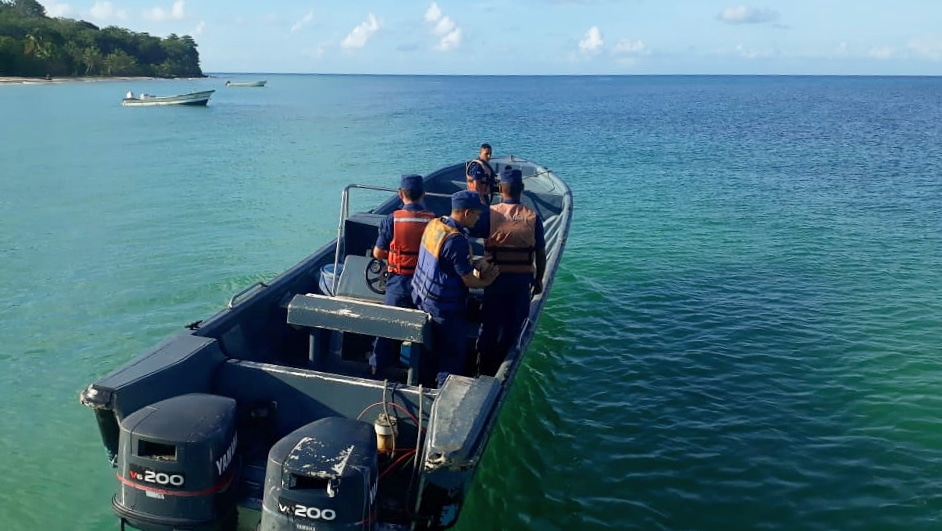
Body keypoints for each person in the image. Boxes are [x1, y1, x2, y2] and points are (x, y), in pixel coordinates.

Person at [412, 190, 500, 387]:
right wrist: (488, 281)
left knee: (428, 353)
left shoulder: (435, 225)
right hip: (445, 309)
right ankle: (444, 397)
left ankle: (424, 386)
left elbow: (444, 261)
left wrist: (473, 262)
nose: (478, 219)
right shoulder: (457, 240)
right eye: (477, 214)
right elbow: (469, 281)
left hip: (422, 298)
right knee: (450, 359)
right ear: (467, 213)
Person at [476, 167, 546, 376]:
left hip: (494, 278)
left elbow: (473, 234)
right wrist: (539, 279)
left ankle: (483, 365)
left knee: (490, 322)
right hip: (520, 280)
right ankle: (506, 366)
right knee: (513, 325)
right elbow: (540, 254)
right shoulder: (533, 218)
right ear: (522, 189)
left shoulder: (490, 213)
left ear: (500, 189)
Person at [369, 174, 436, 378]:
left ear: (400, 194)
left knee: (388, 326)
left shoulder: (392, 219)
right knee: (425, 328)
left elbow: (378, 254)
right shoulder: (433, 220)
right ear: (423, 194)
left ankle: (378, 367)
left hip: (397, 281)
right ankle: (422, 372)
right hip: (424, 283)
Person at [465, 143, 494, 238]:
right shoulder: (477, 167)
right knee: (481, 219)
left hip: (483, 196)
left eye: (490, 153)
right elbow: (476, 185)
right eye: (486, 154)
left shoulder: (484, 165)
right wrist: (481, 199)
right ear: (480, 153)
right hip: (477, 198)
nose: (489, 156)